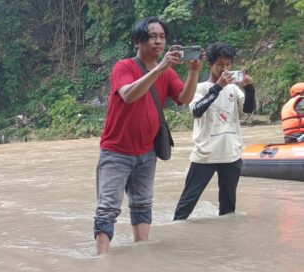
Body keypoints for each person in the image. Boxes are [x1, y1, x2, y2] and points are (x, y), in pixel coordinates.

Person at [93, 16, 202, 255]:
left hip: (147, 151)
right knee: (108, 208)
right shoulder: (124, 67)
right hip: (116, 151)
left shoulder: (166, 72)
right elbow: (129, 95)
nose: (158, 41)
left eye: (162, 37)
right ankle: (101, 260)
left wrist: (194, 72)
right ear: (137, 41)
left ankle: (141, 254)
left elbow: (184, 99)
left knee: (142, 204)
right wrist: (161, 68)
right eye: (152, 36)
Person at [173, 43, 256, 220]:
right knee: (186, 205)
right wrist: (217, 87)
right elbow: (196, 111)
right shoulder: (200, 87)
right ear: (210, 65)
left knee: (228, 209)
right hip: (205, 154)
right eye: (219, 64)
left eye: (228, 64)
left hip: (231, 154)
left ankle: (225, 241)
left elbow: (248, 109)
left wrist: (249, 89)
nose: (224, 69)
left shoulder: (233, 88)